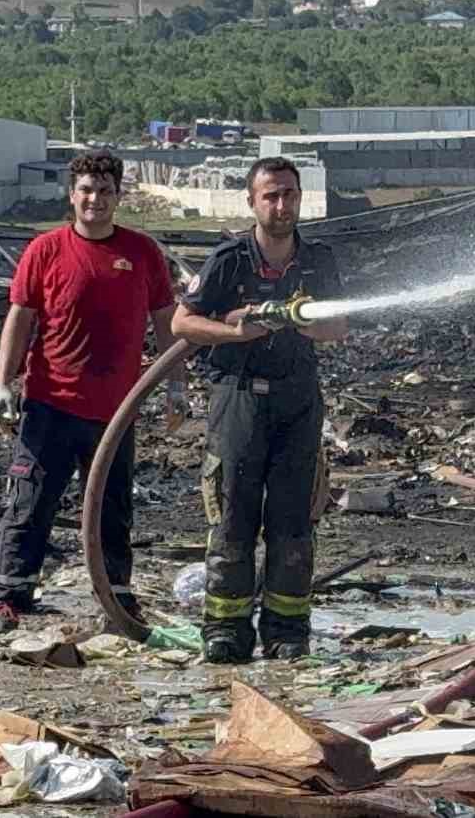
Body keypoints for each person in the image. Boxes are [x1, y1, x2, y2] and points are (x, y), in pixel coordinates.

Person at [0, 150, 188, 631]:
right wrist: (2, 384)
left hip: (116, 410)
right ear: (72, 195)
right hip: (49, 404)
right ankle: (9, 596)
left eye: (105, 191)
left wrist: (174, 385)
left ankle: (117, 598)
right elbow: (21, 317)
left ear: (119, 196)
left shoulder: (141, 253)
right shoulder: (46, 250)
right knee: (29, 502)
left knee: (112, 508)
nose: (95, 199)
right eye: (86, 191)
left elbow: (166, 320)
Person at [172, 156, 348, 663]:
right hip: (238, 395)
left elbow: (339, 328)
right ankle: (226, 630)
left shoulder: (318, 261)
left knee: (294, 519)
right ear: (252, 201)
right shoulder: (229, 260)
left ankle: (287, 630)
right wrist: (236, 330)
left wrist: (297, 320)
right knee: (233, 516)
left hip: (298, 397)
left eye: (289, 194)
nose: (281, 204)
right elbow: (184, 323)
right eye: (270, 195)